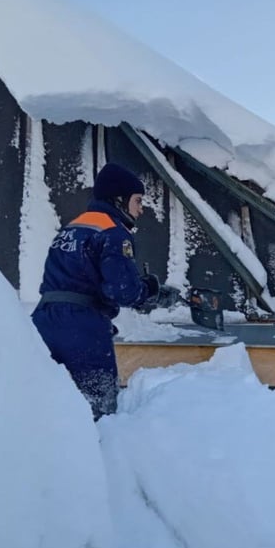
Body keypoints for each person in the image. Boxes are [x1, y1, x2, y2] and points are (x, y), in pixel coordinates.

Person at [32, 162, 181, 419]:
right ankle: (95, 455)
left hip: (43, 321)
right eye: (137, 201)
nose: (141, 209)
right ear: (120, 199)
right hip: (83, 328)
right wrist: (153, 292)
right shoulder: (113, 233)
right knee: (99, 407)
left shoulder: (73, 227)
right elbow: (122, 290)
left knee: (38, 400)